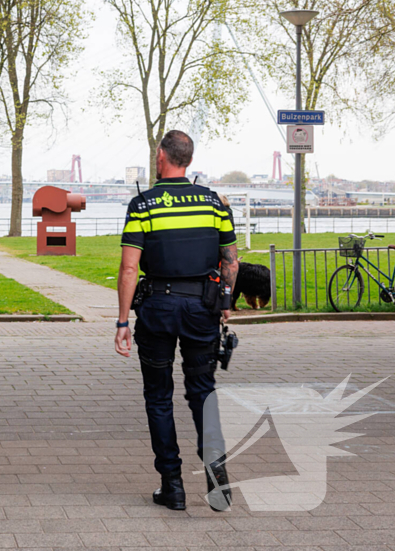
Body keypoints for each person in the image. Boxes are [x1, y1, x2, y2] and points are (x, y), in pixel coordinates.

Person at [114, 130, 238, 512]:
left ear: (161, 156)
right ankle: (219, 483)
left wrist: (122, 322)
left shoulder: (143, 204)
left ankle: (173, 486)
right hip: (203, 308)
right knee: (203, 392)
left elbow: (129, 266)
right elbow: (231, 259)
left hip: (158, 310)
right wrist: (226, 302)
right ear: (188, 159)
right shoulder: (213, 202)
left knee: (159, 397)